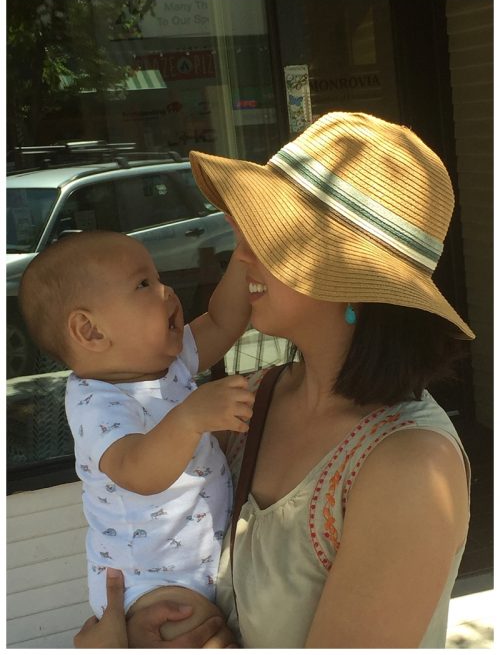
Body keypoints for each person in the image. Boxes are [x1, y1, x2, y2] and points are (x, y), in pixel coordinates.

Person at [73, 111, 474, 648]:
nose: (240, 254)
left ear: (350, 277)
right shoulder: (251, 400)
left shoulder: (410, 466)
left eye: (271, 237)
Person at [18, 229, 254, 641]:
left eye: (157, 277)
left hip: (195, 565)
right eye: (144, 284)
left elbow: (224, 320)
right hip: (148, 583)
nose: (167, 291)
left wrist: (245, 251)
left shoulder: (168, 362)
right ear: (91, 331)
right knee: (208, 638)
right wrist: (189, 419)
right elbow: (137, 471)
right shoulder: (96, 401)